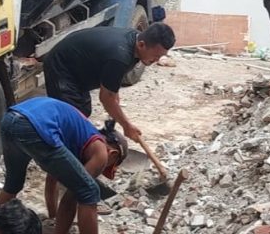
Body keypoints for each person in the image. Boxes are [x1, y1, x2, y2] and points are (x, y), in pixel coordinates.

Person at [0, 96, 128, 234]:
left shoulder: (76, 136)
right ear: (113, 153)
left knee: (13, 184)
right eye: (109, 167)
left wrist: (52, 218)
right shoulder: (101, 151)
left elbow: (52, 180)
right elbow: (71, 198)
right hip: (33, 126)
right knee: (89, 191)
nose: (103, 169)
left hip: (11, 119)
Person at [43, 22, 176, 144]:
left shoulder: (134, 42)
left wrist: (115, 110)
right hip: (61, 67)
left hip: (78, 69)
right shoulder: (120, 56)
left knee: (83, 112)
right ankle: (54, 153)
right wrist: (126, 126)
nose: (157, 60)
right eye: (156, 56)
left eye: (160, 56)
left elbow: (112, 90)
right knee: (72, 119)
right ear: (142, 44)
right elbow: (106, 98)